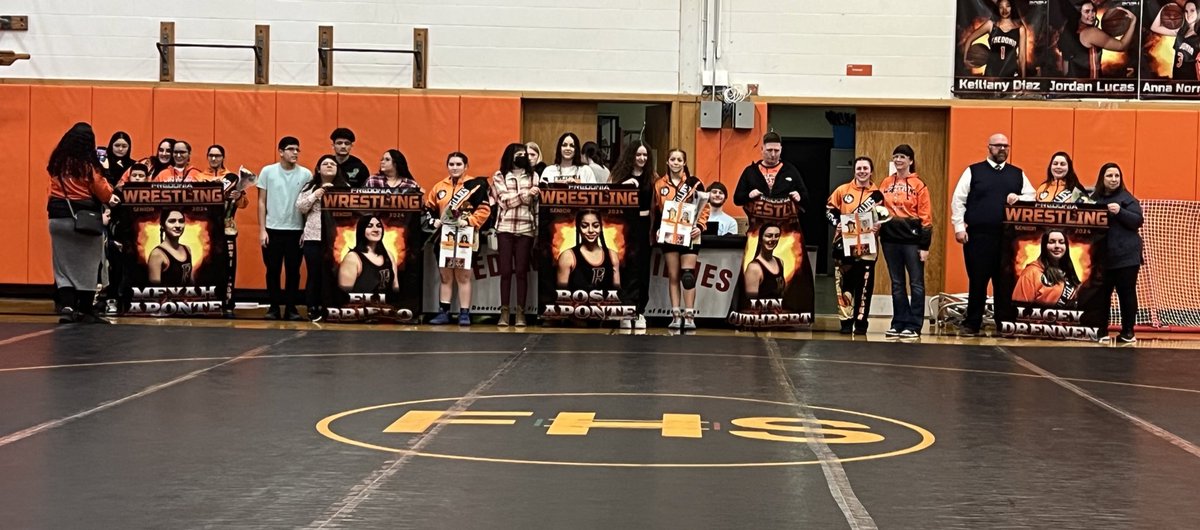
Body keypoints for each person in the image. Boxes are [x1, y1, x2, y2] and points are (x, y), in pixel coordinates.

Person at [951, 133, 1036, 335]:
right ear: (989, 148)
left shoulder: (1017, 174)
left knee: (1004, 282)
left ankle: (1003, 323)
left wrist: (1020, 197)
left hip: (1007, 238)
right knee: (978, 280)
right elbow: (958, 200)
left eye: (1006, 146)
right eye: (998, 146)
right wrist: (959, 228)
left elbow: (1032, 195)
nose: (1002, 149)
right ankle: (972, 323)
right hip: (978, 236)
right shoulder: (973, 171)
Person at [47, 122, 121, 324]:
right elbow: (103, 192)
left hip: (57, 218)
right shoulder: (89, 165)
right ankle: (86, 310)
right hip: (84, 220)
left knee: (63, 266)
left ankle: (68, 307)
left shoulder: (57, 162)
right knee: (88, 265)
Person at [425, 152, 492, 326]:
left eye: (458, 164)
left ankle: (464, 313)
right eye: (451, 164)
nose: (454, 167)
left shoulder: (475, 186)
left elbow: (484, 210)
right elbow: (428, 210)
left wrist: (469, 221)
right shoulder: (439, 187)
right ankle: (444, 312)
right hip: (444, 238)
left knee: (463, 277)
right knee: (446, 277)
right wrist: (434, 221)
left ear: (466, 166)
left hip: (465, 237)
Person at [879, 144, 933, 339]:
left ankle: (914, 324)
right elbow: (879, 209)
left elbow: (926, 217)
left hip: (912, 240)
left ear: (910, 160)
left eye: (903, 157)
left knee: (916, 283)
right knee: (897, 283)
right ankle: (899, 321)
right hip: (889, 239)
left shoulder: (919, 185)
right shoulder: (885, 182)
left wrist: (925, 245)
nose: (899, 160)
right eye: (896, 157)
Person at [257, 136, 313, 321]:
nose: (295, 152)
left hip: (295, 230)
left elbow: (308, 204)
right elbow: (261, 201)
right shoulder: (268, 172)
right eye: (290, 149)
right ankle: (273, 307)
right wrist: (262, 230)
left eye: (297, 149)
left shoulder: (306, 174)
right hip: (272, 229)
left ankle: (291, 308)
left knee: (293, 271)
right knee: (272, 271)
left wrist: (306, 230)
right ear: (280, 151)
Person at [653, 148, 710, 330]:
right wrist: (656, 229)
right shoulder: (659, 184)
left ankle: (690, 315)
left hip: (691, 233)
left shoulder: (695, 183)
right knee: (674, 275)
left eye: (679, 160)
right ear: (667, 162)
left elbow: (705, 208)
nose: (676, 162)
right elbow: (656, 210)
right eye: (672, 159)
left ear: (684, 163)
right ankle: (676, 314)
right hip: (669, 233)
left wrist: (699, 227)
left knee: (688, 275)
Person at [827, 156, 882, 335]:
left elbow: (884, 216)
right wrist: (837, 222)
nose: (862, 171)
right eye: (859, 168)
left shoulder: (877, 195)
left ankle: (860, 324)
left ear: (871, 171)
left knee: (864, 287)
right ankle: (845, 322)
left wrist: (878, 226)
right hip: (844, 246)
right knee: (844, 285)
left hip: (867, 248)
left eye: (865, 168)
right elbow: (829, 210)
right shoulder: (842, 190)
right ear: (855, 170)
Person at [1091, 162, 1143, 343]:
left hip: (1126, 258)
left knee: (1126, 294)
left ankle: (1128, 331)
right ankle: (1101, 330)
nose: (1113, 179)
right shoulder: (1095, 199)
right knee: (1101, 295)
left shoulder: (1127, 199)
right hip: (1102, 258)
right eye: (1109, 176)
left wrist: (1120, 212)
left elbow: (1137, 221)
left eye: (1116, 176)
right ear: (1102, 179)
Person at [608, 140, 657, 330]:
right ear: (631, 156)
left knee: (642, 269)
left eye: (645, 155)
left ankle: (640, 310)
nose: (642, 158)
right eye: (638, 155)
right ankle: (625, 309)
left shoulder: (651, 177)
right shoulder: (619, 175)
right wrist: (622, 186)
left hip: (644, 225)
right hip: (623, 226)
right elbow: (606, 197)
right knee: (625, 266)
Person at [296, 155, 349, 321]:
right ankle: (313, 307)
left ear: (337, 169)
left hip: (337, 239)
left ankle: (332, 307)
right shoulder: (310, 186)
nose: (328, 166)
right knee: (314, 274)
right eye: (324, 164)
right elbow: (301, 207)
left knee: (334, 274)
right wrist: (316, 194)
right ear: (318, 169)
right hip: (314, 236)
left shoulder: (345, 187)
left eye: (332, 164)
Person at [491, 143, 539, 327]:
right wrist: (526, 194)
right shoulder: (499, 175)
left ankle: (520, 312)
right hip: (505, 227)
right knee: (505, 272)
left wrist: (536, 231)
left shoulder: (534, 175)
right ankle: (504, 312)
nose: (522, 156)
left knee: (521, 272)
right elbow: (504, 201)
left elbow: (534, 205)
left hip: (526, 228)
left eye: (524, 154)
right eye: (519, 153)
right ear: (510, 155)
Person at [200, 144, 249, 318]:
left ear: (223, 157)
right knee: (205, 265)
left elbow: (243, 204)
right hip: (204, 231)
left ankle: (228, 302)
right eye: (211, 155)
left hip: (227, 228)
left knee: (228, 266)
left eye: (218, 156)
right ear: (207, 157)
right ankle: (208, 301)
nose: (214, 159)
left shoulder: (233, 178)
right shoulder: (199, 177)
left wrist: (239, 197)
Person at [733, 131, 809, 217]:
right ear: (762, 149)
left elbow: (806, 198)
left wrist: (799, 197)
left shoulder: (790, 170)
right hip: (758, 223)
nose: (773, 154)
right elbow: (737, 199)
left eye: (776, 150)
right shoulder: (751, 171)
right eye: (769, 150)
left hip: (785, 223)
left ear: (781, 149)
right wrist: (749, 195)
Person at [1060, 3, 1138, 78]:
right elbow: (1122, 46)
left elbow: (1065, 66)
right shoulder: (1091, 32)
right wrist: (1133, 21)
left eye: (1093, 10)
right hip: (1089, 85)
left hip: (1074, 85)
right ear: (1079, 13)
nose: (1092, 14)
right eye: (1087, 11)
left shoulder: (1069, 30)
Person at [557, 209, 621, 292]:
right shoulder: (567, 256)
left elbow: (618, 292)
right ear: (578, 228)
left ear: (601, 228)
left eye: (595, 225)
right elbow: (561, 295)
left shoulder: (612, 255)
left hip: (606, 304)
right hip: (576, 304)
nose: (591, 230)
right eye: (584, 226)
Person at [1013, 229, 1080, 306]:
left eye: (1061, 242)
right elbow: (1018, 308)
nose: (1057, 246)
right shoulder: (1031, 272)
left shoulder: (1068, 271)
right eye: (1052, 242)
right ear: (1044, 246)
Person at [962, 0, 1027, 78]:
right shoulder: (990, 25)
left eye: (1007, 6)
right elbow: (970, 39)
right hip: (991, 73)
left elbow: (1022, 57)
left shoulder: (1020, 29)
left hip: (1010, 73)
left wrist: (1023, 80)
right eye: (1001, 7)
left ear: (1012, 7)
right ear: (998, 9)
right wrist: (965, 58)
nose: (1004, 10)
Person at [337, 214, 399, 294]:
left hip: (388, 305)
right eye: (370, 226)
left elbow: (395, 286)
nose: (375, 229)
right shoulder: (352, 258)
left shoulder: (389, 255)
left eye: (378, 225)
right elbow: (343, 295)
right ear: (362, 230)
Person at [1150, 0, 1200, 81]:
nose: (1188, 14)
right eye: (1186, 11)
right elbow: (1154, 27)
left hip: (1192, 80)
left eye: (1192, 10)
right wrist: (1165, 8)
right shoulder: (1180, 32)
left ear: (1198, 11)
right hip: (1177, 77)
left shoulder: (1198, 36)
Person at [147, 209, 193, 286]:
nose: (178, 225)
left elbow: (190, 281)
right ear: (163, 225)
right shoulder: (157, 255)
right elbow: (154, 291)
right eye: (172, 221)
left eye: (181, 221)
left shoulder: (187, 249)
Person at [743, 223, 785, 300]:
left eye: (776, 236)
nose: (773, 239)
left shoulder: (780, 262)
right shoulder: (754, 268)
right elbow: (751, 303)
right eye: (769, 236)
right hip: (762, 311)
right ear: (760, 239)